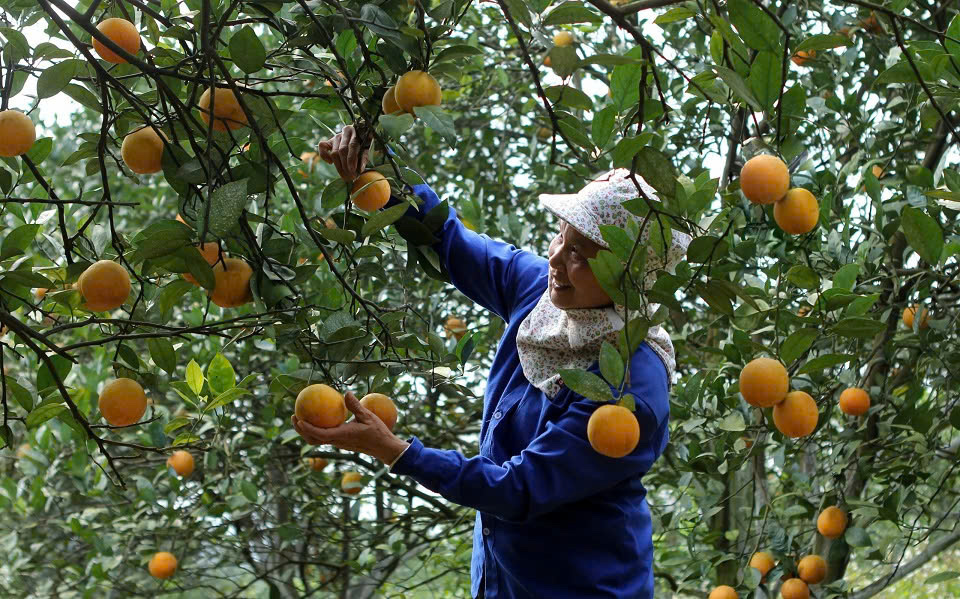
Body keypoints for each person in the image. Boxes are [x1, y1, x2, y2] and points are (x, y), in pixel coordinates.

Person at [293, 125, 691, 598]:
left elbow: (518, 488)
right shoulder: (543, 296)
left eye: (581, 254)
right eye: (561, 237)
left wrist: (396, 451)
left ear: (628, 277)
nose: (557, 261)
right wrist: (378, 164)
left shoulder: (629, 389)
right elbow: (449, 239)